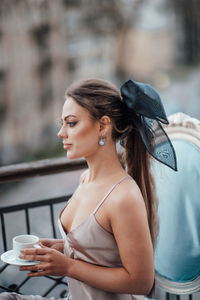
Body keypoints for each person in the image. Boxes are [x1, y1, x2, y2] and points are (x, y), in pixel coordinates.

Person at [1, 78, 177, 300]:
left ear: (103, 126)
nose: (61, 133)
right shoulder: (85, 179)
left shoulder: (123, 196)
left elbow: (142, 282)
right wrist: (61, 248)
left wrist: (68, 267)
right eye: (62, 123)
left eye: (71, 123)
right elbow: (100, 250)